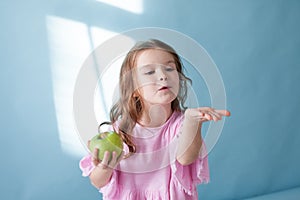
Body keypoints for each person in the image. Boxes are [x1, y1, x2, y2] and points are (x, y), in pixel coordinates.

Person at [79, 39, 230, 199]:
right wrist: (105, 169)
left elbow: (185, 158)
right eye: (150, 72)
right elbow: (97, 182)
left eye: (169, 68)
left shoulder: (182, 125)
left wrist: (192, 121)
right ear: (133, 89)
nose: (163, 76)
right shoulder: (118, 132)